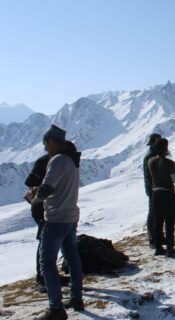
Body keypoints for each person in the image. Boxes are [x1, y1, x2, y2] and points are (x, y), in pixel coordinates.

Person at [26, 125, 84, 319]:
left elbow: (47, 189)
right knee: (72, 256)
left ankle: (56, 308)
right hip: (70, 216)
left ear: (51, 141)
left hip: (56, 217)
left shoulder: (57, 160)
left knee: (47, 262)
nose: (44, 147)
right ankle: (76, 297)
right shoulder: (71, 160)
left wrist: (33, 198)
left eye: (45, 143)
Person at [148, 138, 175, 258]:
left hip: (156, 193)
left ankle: (158, 247)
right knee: (169, 221)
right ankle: (170, 249)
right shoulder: (169, 163)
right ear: (165, 149)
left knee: (158, 221)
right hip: (168, 193)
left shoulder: (151, 162)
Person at [24, 153, 51, 293]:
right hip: (40, 208)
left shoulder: (57, 160)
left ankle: (50, 274)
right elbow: (29, 181)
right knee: (44, 242)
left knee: (51, 242)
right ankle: (41, 278)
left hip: (49, 207)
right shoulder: (45, 161)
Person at [143, 133, 161, 247]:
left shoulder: (155, 154)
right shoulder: (150, 156)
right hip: (153, 188)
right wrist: (151, 189)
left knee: (158, 213)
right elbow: (148, 175)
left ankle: (159, 235)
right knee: (153, 213)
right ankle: (152, 237)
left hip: (157, 187)